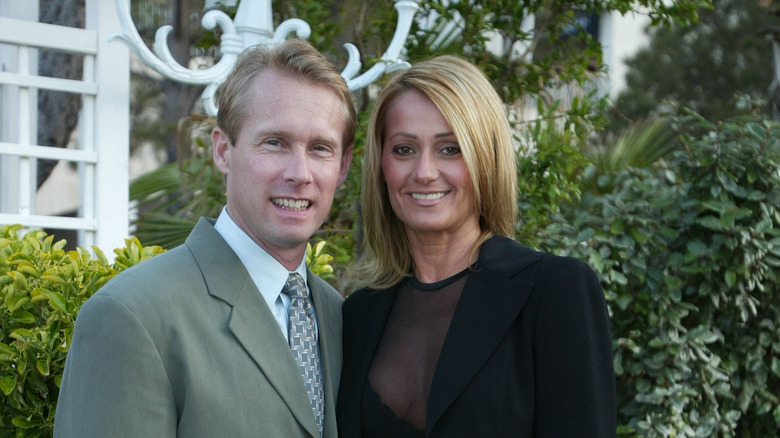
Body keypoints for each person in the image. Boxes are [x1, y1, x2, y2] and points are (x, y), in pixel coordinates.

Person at [54, 38, 355, 438]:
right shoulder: (131, 316)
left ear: (344, 166)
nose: (300, 173)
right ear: (222, 150)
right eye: (274, 142)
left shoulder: (339, 315)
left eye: (320, 148)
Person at [337, 55, 616, 437]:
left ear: (486, 158)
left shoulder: (554, 292)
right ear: (381, 165)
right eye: (404, 149)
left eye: (450, 148)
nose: (424, 172)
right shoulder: (357, 316)